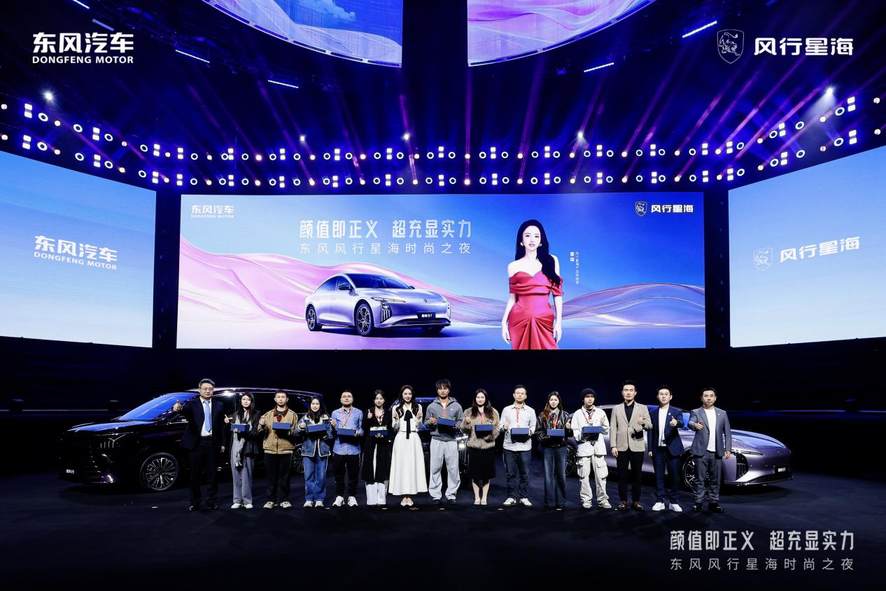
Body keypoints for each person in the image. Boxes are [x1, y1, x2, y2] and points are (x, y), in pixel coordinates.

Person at [501, 219, 564, 350]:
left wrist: (559, 322)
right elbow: (512, 298)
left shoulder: (552, 261)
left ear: (541, 241)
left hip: (544, 320)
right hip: (518, 321)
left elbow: (557, 295)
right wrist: (503, 323)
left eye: (536, 236)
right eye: (527, 235)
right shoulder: (513, 266)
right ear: (521, 240)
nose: (532, 239)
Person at [172, 378, 226, 512]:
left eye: (210, 389)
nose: (208, 391)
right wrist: (178, 409)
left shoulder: (219, 405)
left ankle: (211, 501)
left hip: (212, 443)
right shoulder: (192, 404)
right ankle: (195, 502)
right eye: (205, 389)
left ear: (213, 390)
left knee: (213, 475)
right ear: (199, 390)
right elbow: (184, 411)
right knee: (195, 475)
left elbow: (221, 426)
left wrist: (223, 443)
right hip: (196, 444)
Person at [609, 380, 652, 511]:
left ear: (635, 393)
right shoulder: (616, 408)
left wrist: (642, 423)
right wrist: (613, 445)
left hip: (637, 446)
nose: (628, 392)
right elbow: (613, 428)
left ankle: (636, 501)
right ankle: (623, 501)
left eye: (631, 390)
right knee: (622, 476)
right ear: (622, 392)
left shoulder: (642, 408)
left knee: (637, 476)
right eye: (626, 390)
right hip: (621, 446)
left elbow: (650, 425)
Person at [689, 387, 732, 513]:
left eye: (711, 396)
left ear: (715, 398)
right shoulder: (696, 412)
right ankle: (698, 502)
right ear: (701, 398)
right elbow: (690, 422)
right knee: (699, 479)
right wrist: (694, 425)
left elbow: (727, 433)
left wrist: (728, 448)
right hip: (701, 451)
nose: (708, 398)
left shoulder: (722, 413)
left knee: (715, 479)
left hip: (717, 451)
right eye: (706, 396)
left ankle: (714, 502)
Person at [424, 378, 465, 506]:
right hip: (436, 439)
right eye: (440, 389)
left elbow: (461, 421)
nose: (442, 391)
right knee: (435, 468)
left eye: (445, 388)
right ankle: (435, 495)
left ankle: (451, 494)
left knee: (453, 468)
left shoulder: (456, 405)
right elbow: (426, 422)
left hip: (451, 440)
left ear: (449, 390)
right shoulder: (432, 406)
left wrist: (456, 425)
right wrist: (430, 422)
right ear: (437, 390)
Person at [570, 388, 611, 509]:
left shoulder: (600, 412)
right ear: (583, 399)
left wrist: (598, 428)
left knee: (601, 476)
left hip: (598, 447)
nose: (590, 399)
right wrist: (583, 434)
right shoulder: (577, 414)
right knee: (583, 476)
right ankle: (586, 500)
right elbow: (575, 432)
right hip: (584, 447)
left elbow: (606, 429)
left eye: (592, 397)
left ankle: (602, 500)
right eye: (587, 397)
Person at [257, 391, 298, 509]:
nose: (280, 399)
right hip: (270, 449)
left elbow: (297, 432)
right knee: (271, 477)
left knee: (285, 477)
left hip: (286, 449)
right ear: (275, 399)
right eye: (278, 397)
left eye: (283, 397)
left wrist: (288, 431)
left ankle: (284, 499)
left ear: (287, 399)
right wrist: (261, 425)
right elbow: (259, 432)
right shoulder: (267, 414)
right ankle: (271, 500)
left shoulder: (293, 415)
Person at [389, 385, 428, 508]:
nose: (407, 396)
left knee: (412, 466)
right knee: (401, 466)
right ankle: (403, 495)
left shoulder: (418, 407)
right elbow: (394, 427)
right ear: (402, 395)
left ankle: (409, 496)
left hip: (413, 438)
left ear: (412, 395)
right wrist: (396, 420)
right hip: (401, 438)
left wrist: (418, 419)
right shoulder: (396, 407)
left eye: (409, 394)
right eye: (405, 394)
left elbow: (420, 426)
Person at [647, 386, 685, 512]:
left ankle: (674, 501)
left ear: (670, 397)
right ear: (657, 396)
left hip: (673, 449)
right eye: (661, 394)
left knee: (674, 476)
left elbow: (681, 423)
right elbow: (651, 431)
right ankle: (660, 500)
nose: (663, 396)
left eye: (666, 394)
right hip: (658, 449)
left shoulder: (676, 411)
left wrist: (676, 423)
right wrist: (650, 448)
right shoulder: (653, 412)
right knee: (659, 476)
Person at [460, 388, 500, 506]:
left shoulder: (493, 412)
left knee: (487, 475)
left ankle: (484, 498)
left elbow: (497, 428)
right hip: (474, 447)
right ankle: (477, 497)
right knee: (475, 474)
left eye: (482, 397)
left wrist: (490, 436)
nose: (480, 399)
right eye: (478, 397)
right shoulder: (468, 411)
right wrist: (466, 423)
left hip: (488, 447)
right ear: (475, 398)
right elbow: (463, 430)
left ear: (486, 398)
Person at [500, 385, 537, 506]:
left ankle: (523, 496)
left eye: (522, 393)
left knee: (524, 473)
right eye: (517, 393)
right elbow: (500, 425)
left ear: (525, 396)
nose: (520, 395)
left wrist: (529, 432)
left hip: (525, 446)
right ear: (514, 395)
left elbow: (533, 426)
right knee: (510, 473)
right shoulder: (506, 409)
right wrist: (504, 427)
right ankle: (511, 496)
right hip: (509, 446)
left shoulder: (530, 410)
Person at [225, 392, 261, 509]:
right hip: (235, 447)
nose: (245, 401)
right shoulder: (235, 414)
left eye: (248, 399)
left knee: (246, 475)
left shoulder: (256, 414)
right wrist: (227, 423)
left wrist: (244, 431)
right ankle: (237, 500)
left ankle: (247, 500)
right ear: (240, 401)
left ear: (251, 401)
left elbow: (255, 433)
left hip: (248, 446)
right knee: (235, 474)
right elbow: (229, 429)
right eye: (243, 399)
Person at [296, 397, 334, 508]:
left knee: (321, 476)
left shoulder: (326, 418)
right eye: (313, 403)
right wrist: (300, 427)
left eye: (317, 404)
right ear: (310, 405)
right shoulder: (305, 418)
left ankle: (319, 499)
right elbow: (296, 432)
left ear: (320, 405)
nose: (315, 406)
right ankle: (309, 499)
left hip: (323, 450)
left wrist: (325, 434)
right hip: (308, 451)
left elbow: (331, 435)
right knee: (308, 476)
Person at [536, 391, 570, 510]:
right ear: (548, 401)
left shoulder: (565, 415)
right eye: (551, 400)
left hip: (561, 447)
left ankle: (560, 502)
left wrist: (568, 429)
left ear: (559, 401)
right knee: (548, 476)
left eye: (555, 399)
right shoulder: (542, 415)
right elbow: (538, 432)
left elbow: (570, 433)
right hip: (548, 448)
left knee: (561, 475)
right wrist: (548, 436)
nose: (553, 402)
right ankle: (548, 502)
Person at [330, 390, 364, 507]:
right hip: (339, 447)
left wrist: (358, 433)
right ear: (340, 399)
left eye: (349, 396)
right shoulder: (335, 413)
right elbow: (332, 431)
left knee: (353, 475)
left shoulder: (358, 412)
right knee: (338, 474)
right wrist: (334, 426)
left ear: (352, 399)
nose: (346, 398)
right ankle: (339, 496)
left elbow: (361, 429)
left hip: (354, 448)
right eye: (344, 396)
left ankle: (352, 496)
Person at [362, 389, 393, 508]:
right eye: (377, 398)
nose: (379, 400)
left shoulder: (388, 413)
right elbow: (364, 429)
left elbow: (390, 429)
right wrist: (368, 419)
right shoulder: (368, 412)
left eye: (381, 398)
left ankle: (382, 499)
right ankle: (371, 499)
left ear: (384, 400)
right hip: (370, 444)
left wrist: (387, 437)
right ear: (373, 400)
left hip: (383, 445)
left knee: (383, 469)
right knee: (370, 469)